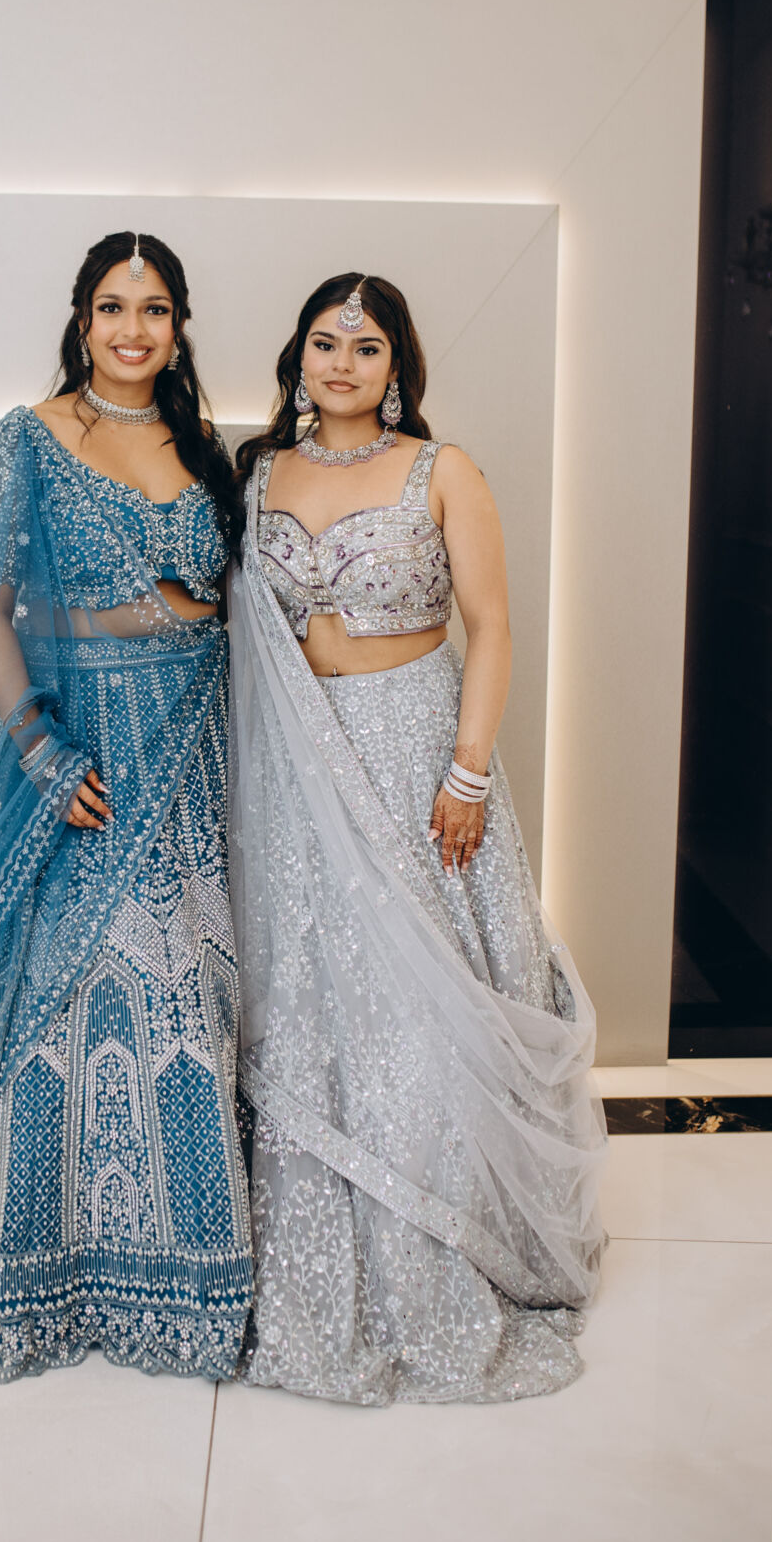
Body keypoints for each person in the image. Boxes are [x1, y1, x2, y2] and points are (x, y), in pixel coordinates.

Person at [0, 232, 253, 1382]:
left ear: (178, 326)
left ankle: (185, 1269)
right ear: (81, 320)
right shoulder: (25, 441)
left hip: (193, 744)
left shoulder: (199, 443)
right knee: (69, 997)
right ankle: (40, 1262)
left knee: (189, 993)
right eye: (112, 307)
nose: (133, 329)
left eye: (155, 309)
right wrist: (35, 748)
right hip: (85, 751)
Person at [230, 271, 606, 1404]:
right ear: (298, 356)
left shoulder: (444, 472)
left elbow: (491, 627)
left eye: (366, 346)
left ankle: (451, 1232)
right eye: (323, 341)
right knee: (318, 994)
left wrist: (468, 768)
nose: (341, 362)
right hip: (296, 764)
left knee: (421, 996)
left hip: (414, 755)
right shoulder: (258, 474)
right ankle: (326, 1237)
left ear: (397, 368)